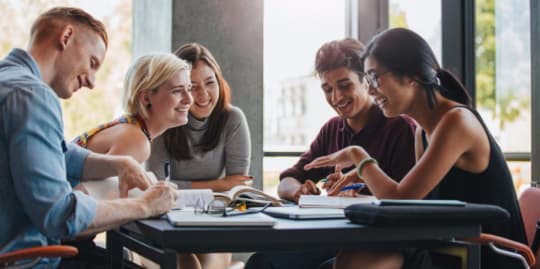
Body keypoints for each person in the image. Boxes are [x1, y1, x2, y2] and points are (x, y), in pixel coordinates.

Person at [304, 28, 527, 269]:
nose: (370, 90)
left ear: (410, 75)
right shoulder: (423, 131)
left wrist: (359, 158)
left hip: (485, 256)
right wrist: (363, 171)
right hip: (448, 248)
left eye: (375, 77)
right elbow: (414, 206)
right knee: (348, 260)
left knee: (354, 262)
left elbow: (400, 200)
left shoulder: (456, 122)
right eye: (368, 80)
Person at [0, 7, 177, 268]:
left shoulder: (9, 81)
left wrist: (120, 163)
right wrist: (145, 205)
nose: (92, 82)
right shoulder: (32, 95)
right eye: (92, 63)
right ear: (66, 36)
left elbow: (59, 153)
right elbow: (59, 214)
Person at [245, 38, 416, 269]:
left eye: (345, 86)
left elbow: (406, 203)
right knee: (262, 261)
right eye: (327, 89)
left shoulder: (400, 127)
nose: (336, 98)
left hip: (381, 243)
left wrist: (359, 192)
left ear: (367, 81)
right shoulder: (332, 129)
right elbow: (287, 179)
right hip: (336, 239)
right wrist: (298, 191)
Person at [147, 43, 251, 268]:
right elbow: (156, 187)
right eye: (192, 87)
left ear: (219, 81)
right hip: (165, 223)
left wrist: (224, 187)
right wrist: (218, 184)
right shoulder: (163, 120)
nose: (203, 95)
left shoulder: (232, 119)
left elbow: (237, 189)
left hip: (211, 223)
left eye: (210, 83)